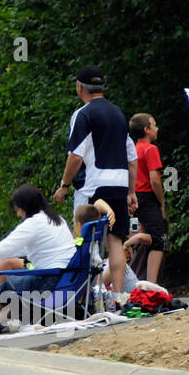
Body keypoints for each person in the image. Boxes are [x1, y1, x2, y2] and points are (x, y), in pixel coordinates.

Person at [52, 65, 137, 294]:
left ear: (80, 88)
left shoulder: (83, 114)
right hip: (119, 184)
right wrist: (131, 191)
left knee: (84, 241)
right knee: (116, 241)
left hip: (92, 186)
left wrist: (64, 185)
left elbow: (76, 156)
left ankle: (88, 296)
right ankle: (118, 297)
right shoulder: (119, 113)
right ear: (102, 87)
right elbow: (132, 158)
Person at [0, 185, 76, 329]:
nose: (18, 214)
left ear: (25, 207)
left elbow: (3, 249)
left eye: (18, 209)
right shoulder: (57, 219)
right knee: (12, 287)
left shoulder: (33, 224)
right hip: (68, 280)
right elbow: (17, 249)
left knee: (8, 286)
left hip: (49, 281)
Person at [128, 113, 168, 284]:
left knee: (141, 236)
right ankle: (151, 286)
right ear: (146, 129)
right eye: (154, 125)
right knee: (159, 240)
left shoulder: (134, 149)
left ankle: (136, 280)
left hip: (134, 197)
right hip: (147, 198)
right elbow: (155, 180)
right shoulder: (150, 149)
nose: (157, 128)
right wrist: (162, 203)